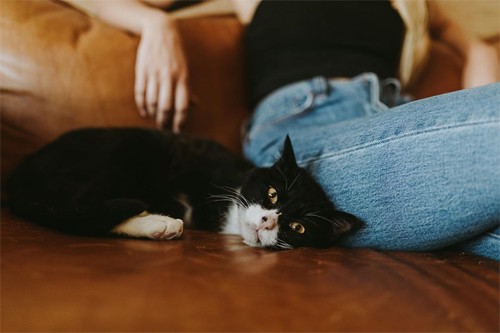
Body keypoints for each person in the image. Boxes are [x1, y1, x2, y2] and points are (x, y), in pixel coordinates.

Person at [63, 0, 500, 260]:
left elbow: (477, 46)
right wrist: (155, 23)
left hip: (393, 113)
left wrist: (465, 141)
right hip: (306, 134)